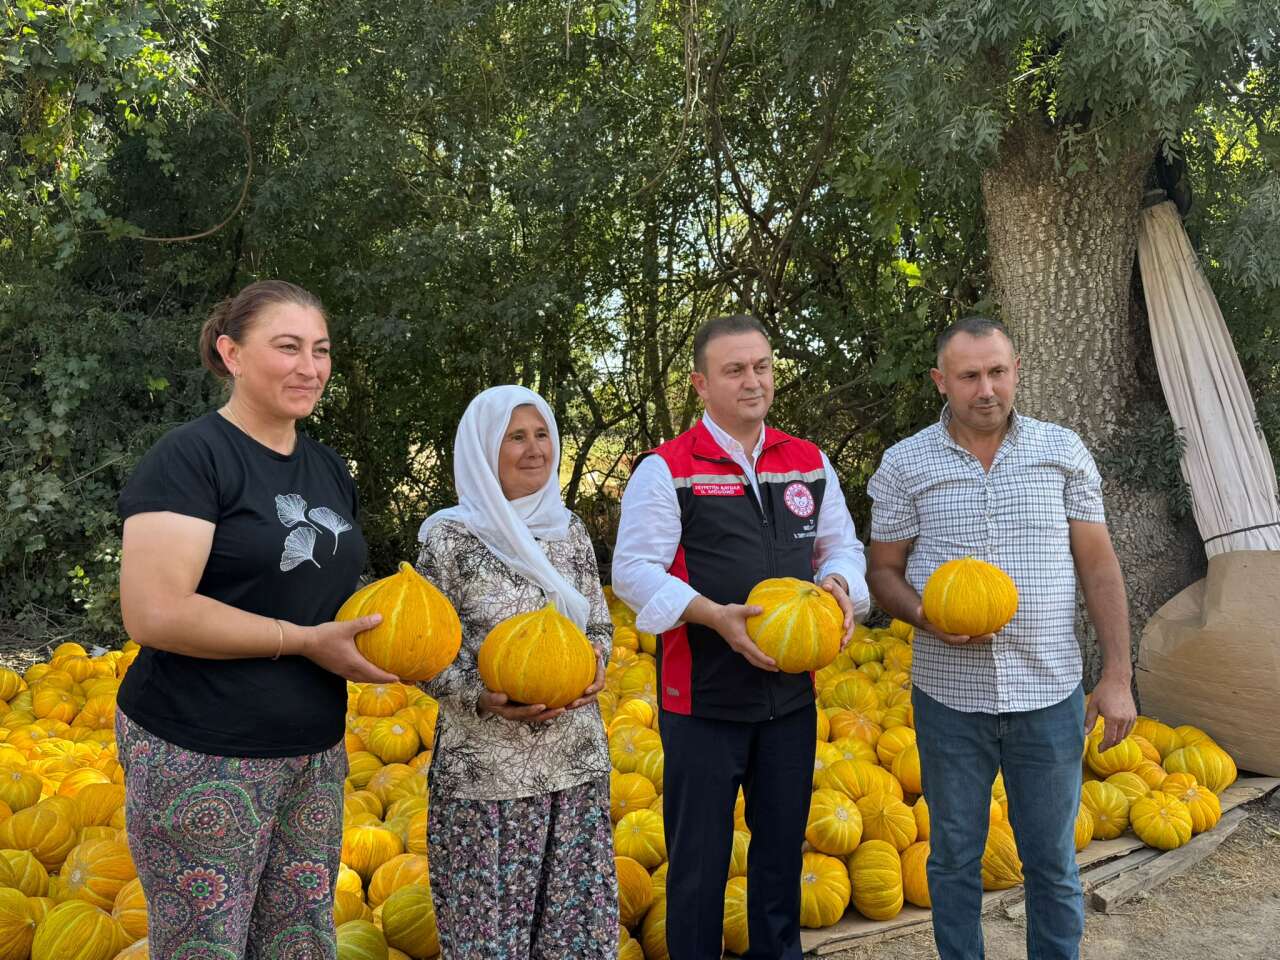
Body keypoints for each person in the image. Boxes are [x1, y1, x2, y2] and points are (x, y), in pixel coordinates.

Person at [115, 280, 395, 958]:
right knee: (204, 945)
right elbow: (154, 613)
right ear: (232, 353)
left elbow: (324, 600)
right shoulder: (190, 459)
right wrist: (302, 642)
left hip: (312, 750)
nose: (310, 367)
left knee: (300, 942)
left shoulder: (328, 469)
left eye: (321, 350)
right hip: (201, 750)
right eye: (288, 347)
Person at [865, 315, 1138, 960]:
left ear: (1015, 372)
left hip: (1047, 690)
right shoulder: (906, 464)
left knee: (1051, 862)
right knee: (954, 857)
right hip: (948, 698)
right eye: (968, 376)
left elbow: (1099, 566)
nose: (985, 388)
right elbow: (882, 570)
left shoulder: (1061, 450)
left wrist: (1118, 674)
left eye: (996, 372)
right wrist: (928, 617)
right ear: (941, 381)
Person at [612, 314, 870, 960]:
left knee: (780, 852)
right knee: (698, 863)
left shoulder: (806, 461)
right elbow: (632, 571)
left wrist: (840, 585)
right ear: (701, 383)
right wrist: (710, 614)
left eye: (761, 367)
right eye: (735, 370)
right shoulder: (667, 468)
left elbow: (843, 547)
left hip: (790, 697)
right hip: (702, 699)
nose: (752, 381)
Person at [415, 385, 617, 960]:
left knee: (573, 932)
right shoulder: (448, 538)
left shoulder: (569, 530)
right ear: (483, 449)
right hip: (487, 774)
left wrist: (596, 665)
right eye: (515, 437)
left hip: (575, 760)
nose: (535, 449)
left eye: (542, 433)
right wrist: (480, 694)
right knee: (490, 934)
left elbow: (598, 624)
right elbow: (422, 650)